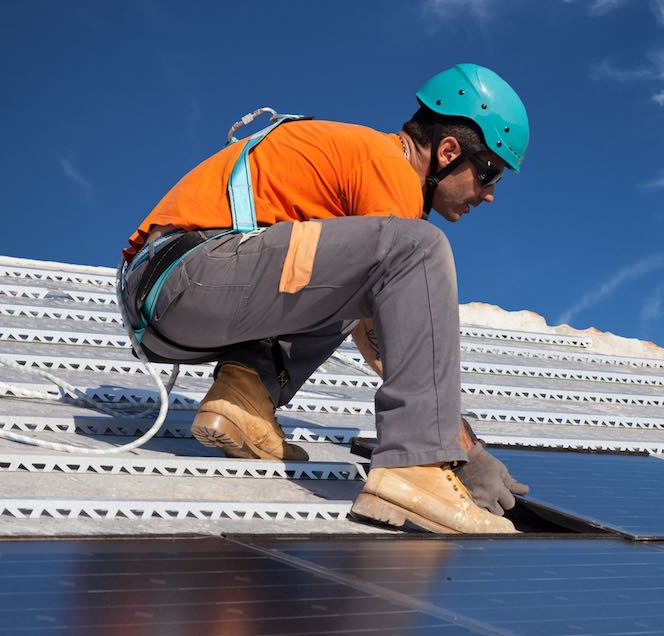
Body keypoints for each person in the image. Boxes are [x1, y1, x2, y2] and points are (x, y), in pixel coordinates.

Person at [117, 64, 529, 534]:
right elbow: (395, 334)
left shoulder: (361, 165)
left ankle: (244, 399)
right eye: (489, 173)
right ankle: (415, 470)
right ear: (448, 152)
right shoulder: (389, 168)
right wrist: (458, 449)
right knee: (420, 248)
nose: (490, 195)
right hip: (188, 277)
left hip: (173, 294)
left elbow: (363, 313)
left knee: (362, 283)